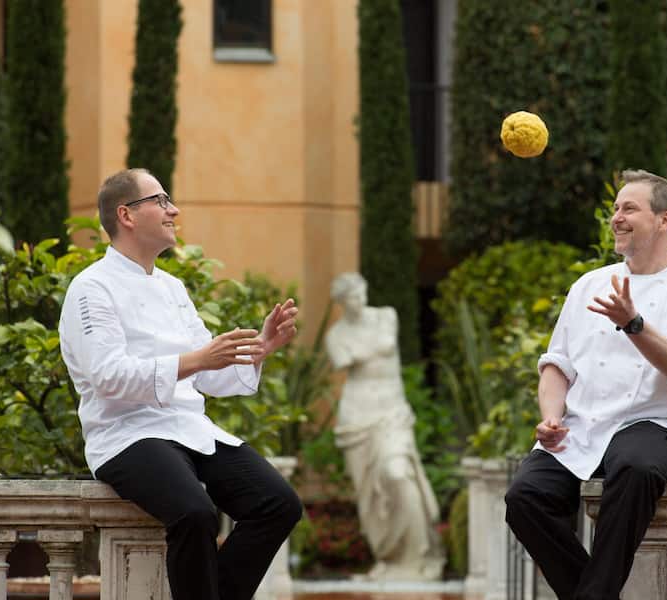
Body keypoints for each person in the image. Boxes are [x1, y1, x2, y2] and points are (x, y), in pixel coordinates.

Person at [58, 168, 303, 600]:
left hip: (188, 429)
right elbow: (108, 377)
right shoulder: (90, 288)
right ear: (126, 215)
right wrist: (195, 359)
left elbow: (208, 374)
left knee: (279, 503)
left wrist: (260, 348)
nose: (174, 210)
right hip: (126, 434)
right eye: (161, 200)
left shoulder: (172, 288)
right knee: (194, 513)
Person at [504, 169, 667, 600]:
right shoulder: (588, 284)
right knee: (524, 498)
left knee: (636, 467)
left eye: (629, 208)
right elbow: (556, 366)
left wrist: (634, 324)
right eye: (615, 208)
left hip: (653, 424)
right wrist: (551, 416)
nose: (616, 217)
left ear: (665, 220)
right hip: (581, 426)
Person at [324, 272, 445, 581]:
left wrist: (359, 353)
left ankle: (421, 555)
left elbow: (386, 345)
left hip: (391, 410)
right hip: (356, 416)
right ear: (341, 303)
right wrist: (365, 352)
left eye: (362, 293)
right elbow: (340, 360)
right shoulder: (336, 334)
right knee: (368, 495)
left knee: (397, 472)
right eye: (352, 297)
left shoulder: (385, 316)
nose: (360, 301)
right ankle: (387, 557)